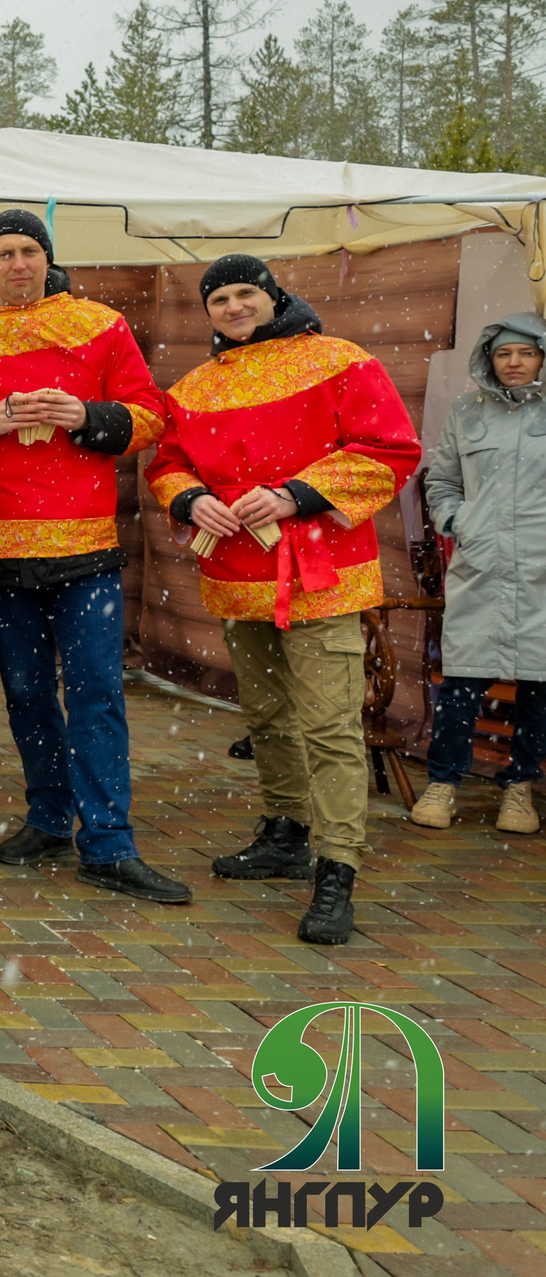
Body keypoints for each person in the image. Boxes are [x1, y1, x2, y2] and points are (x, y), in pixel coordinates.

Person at [149, 256, 419, 946]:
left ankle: (337, 868)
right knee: (266, 715)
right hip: (237, 577)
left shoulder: (341, 361)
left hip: (322, 577)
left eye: (246, 293)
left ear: (273, 297)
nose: (234, 307)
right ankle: (286, 830)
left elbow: (390, 448)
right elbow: (168, 461)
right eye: (219, 299)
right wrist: (190, 498)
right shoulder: (195, 386)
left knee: (329, 724)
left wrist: (298, 493)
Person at [0, 209, 187, 906]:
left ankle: (109, 843)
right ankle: (49, 817)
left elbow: (150, 415)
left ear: (48, 259)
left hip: (86, 548)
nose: (18, 263)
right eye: (4, 252)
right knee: (24, 694)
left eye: (29, 250)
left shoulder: (101, 325)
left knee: (96, 694)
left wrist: (87, 415)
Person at [414, 313, 546, 836]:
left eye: (526, 352)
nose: (514, 363)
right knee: (462, 681)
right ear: (489, 359)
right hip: (482, 566)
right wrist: (458, 522)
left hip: (540, 569)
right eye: (503, 353)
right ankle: (443, 783)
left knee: (539, 684)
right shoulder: (467, 412)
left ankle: (520, 788)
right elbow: (442, 480)